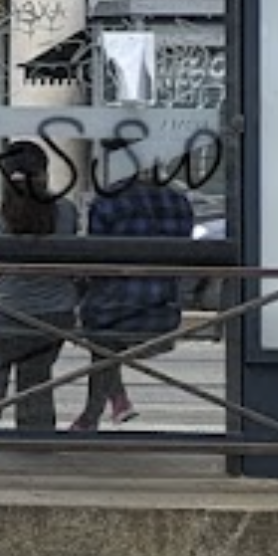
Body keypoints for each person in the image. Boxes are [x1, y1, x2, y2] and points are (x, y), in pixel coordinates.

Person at [0, 141, 78, 432]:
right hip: (57, 313)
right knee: (36, 379)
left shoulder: (3, 218)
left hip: (11, 312)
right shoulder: (66, 211)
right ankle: (35, 434)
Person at [69, 168, 192, 431]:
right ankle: (114, 403)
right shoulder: (178, 200)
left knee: (98, 335)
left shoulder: (109, 200)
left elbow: (95, 260)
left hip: (114, 311)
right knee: (103, 339)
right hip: (164, 311)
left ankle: (100, 410)